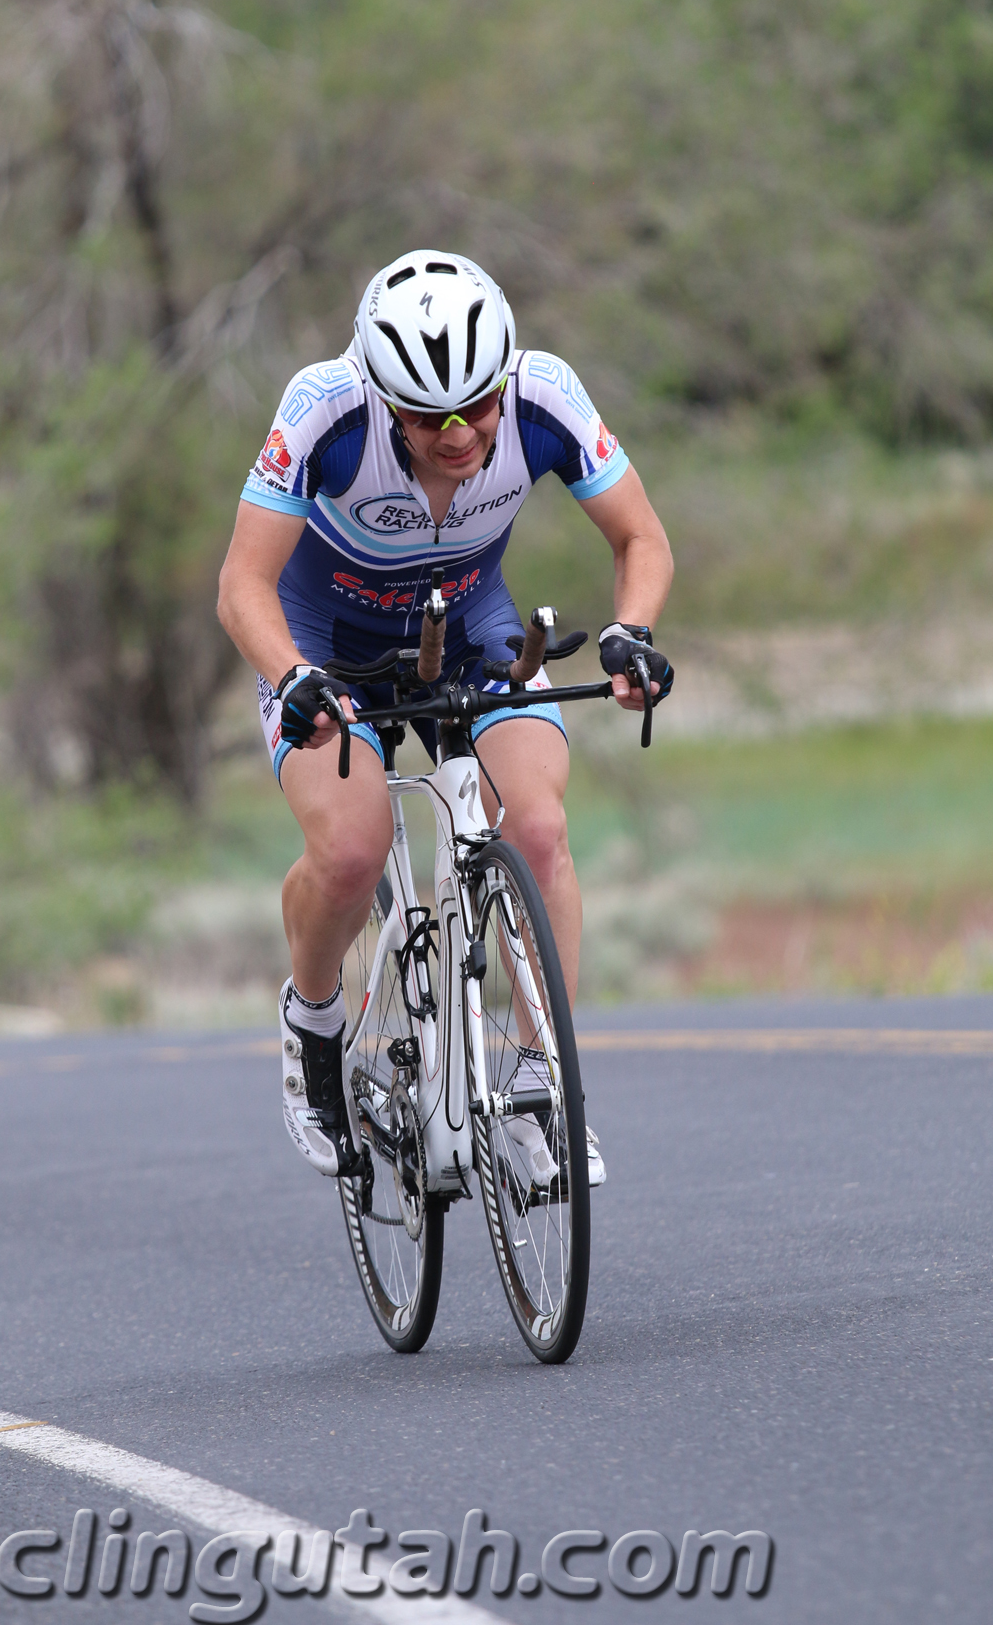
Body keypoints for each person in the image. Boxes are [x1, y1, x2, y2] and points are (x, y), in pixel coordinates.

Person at [216, 249, 673, 1191]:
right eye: (430, 417)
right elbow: (242, 585)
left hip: (469, 623)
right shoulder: (323, 411)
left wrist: (631, 635)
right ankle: (313, 1021)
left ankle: (548, 1091)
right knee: (349, 847)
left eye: (480, 406)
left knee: (537, 826)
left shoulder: (547, 396)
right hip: (325, 640)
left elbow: (641, 538)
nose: (462, 434)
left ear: (507, 377)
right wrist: (292, 677)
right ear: (385, 401)